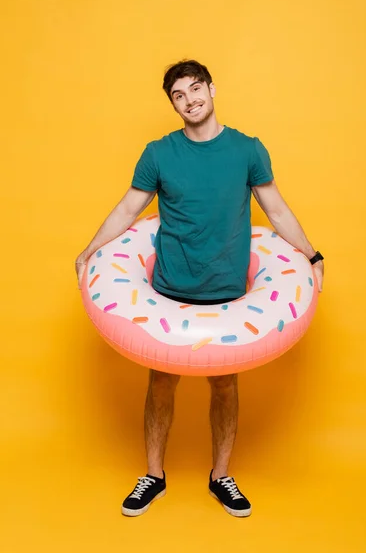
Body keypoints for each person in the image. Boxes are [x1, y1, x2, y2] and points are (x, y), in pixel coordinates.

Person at [75, 59, 325, 518]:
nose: (190, 100)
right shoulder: (159, 153)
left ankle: (221, 476)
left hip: (229, 290)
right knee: (161, 380)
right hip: (169, 287)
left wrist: (311, 254)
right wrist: (90, 250)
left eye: (195, 89)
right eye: (179, 96)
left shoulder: (248, 150)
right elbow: (128, 210)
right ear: (173, 104)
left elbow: (278, 210)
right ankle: (153, 476)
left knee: (225, 384)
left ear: (212, 88)